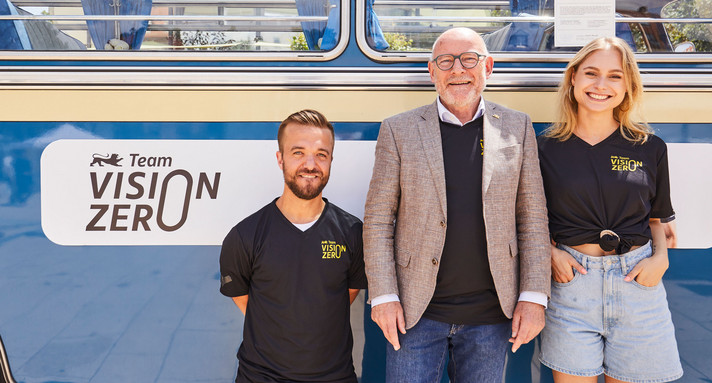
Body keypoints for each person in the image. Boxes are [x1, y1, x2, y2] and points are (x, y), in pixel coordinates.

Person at [363, 27, 551, 383]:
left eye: (469, 59)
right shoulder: (398, 130)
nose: (458, 70)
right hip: (415, 314)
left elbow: (532, 219)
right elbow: (377, 220)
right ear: (432, 71)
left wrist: (533, 296)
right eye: (445, 61)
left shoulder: (518, 127)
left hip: (492, 316)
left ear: (488, 67)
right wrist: (384, 296)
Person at [537, 37, 683, 383]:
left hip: (638, 284)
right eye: (591, 73)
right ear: (573, 78)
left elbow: (655, 217)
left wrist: (661, 257)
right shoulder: (544, 148)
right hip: (573, 288)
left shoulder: (650, 147)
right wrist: (550, 253)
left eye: (615, 76)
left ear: (628, 86)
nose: (601, 85)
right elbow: (528, 216)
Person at [219, 109, 367, 383]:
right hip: (261, 377)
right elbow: (245, 300)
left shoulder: (352, 233)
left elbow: (344, 295)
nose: (310, 164)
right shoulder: (245, 236)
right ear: (280, 159)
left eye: (321, 154)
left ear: (331, 160)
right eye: (298, 152)